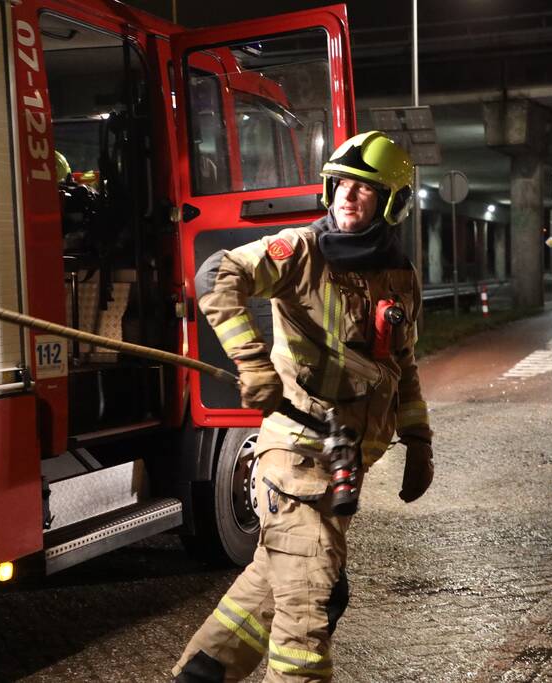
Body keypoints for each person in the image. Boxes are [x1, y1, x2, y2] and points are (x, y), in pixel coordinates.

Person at [172, 131, 435, 682]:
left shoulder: (399, 275)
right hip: (296, 460)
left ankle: (199, 676)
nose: (346, 195)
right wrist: (252, 362)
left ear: (391, 203)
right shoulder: (301, 252)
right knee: (310, 611)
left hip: (345, 462)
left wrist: (419, 441)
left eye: (363, 189)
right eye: (339, 183)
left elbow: (402, 365)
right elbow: (218, 273)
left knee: (272, 586)